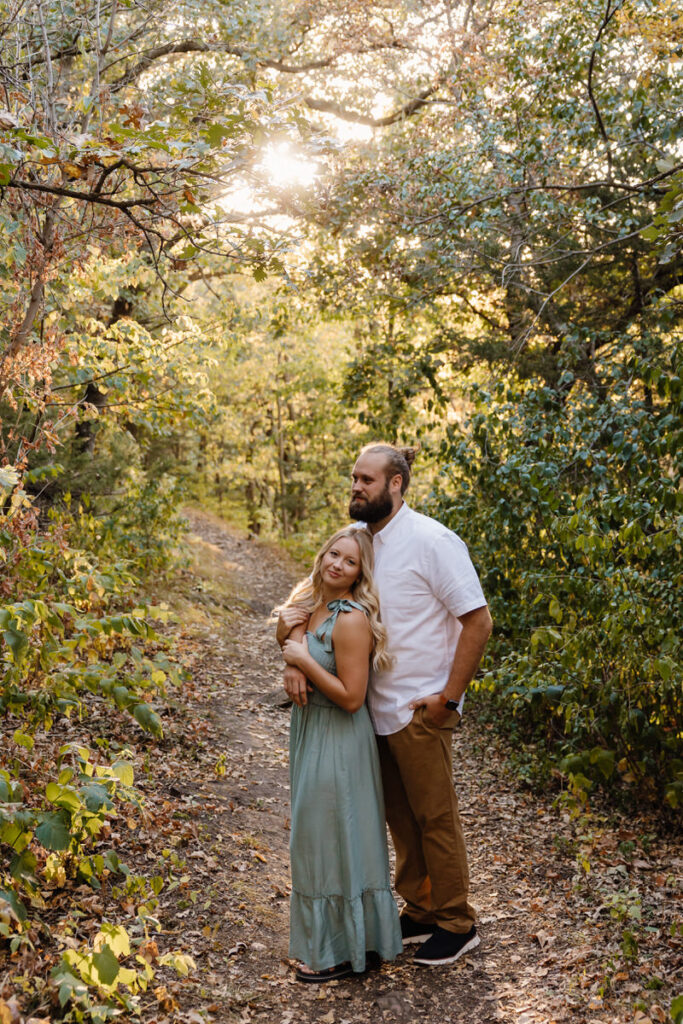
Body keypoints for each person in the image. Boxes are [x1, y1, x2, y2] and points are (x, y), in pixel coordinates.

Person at [283, 444, 492, 968]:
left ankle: (456, 922)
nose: (355, 487)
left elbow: (478, 621)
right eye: (353, 477)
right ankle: (420, 910)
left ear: (395, 484)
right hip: (369, 713)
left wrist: (449, 700)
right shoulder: (362, 545)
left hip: (420, 710)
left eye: (366, 480)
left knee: (435, 819)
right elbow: (309, 604)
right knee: (399, 820)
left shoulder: (432, 541)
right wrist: (291, 656)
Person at [276, 526, 403, 983]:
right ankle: (345, 944)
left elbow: (352, 696)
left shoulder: (350, 618)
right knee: (319, 838)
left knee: (331, 839)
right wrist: (292, 657)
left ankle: (340, 952)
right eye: (334, 553)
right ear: (322, 553)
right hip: (310, 732)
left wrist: (303, 662)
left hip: (340, 736)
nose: (338, 565)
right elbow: (285, 631)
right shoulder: (312, 604)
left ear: (359, 573)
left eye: (350, 562)